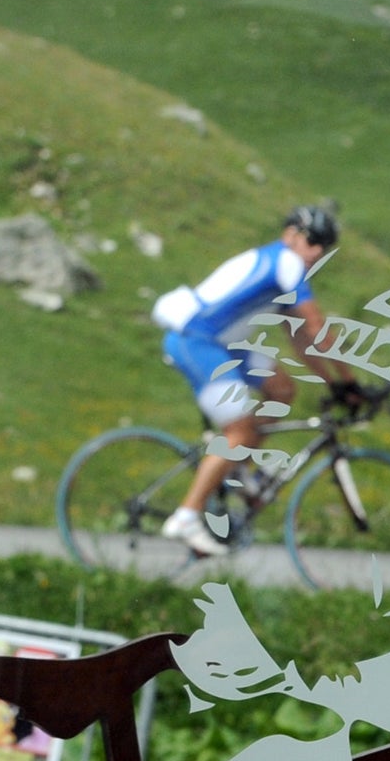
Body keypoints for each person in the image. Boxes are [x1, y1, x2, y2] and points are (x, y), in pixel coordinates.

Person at [151, 205, 366, 556]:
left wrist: (334, 384)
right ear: (291, 236)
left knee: (281, 389)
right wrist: (350, 380)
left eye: (323, 246)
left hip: (223, 344)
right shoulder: (286, 262)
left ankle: (239, 470)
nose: (315, 251)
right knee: (240, 432)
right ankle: (186, 516)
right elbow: (315, 327)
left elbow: (301, 340)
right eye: (312, 241)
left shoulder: (284, 269)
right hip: (198, 341)